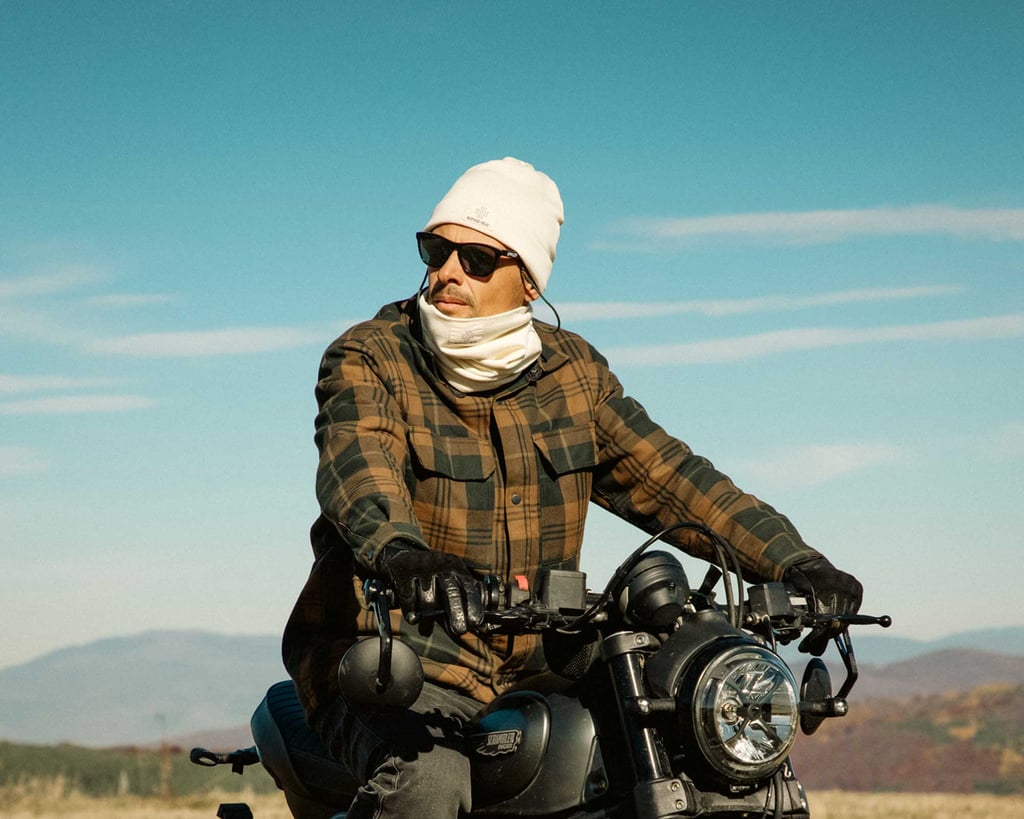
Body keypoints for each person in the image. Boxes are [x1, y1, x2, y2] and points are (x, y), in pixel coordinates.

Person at [282, 157, 862, 818]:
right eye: (436, 249)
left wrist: (796, 561)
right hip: (395, 657)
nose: (446, 271)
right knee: (428, 787)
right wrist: (405, 555)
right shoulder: (372, 356)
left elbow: (671, 477)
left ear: (528, 280)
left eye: (476, 258)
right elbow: (361, 469)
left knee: (692, 736)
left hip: (538, 657)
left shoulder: (573, 374)